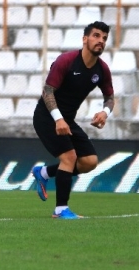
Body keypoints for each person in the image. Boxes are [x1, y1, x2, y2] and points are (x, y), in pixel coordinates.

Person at [30, 21, 115, 219]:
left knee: (89, 162)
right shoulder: (66, 61)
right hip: (46, 116)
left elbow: (110, 97)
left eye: (104, 38)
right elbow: (48, 91)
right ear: (85, 39)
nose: (100, 41)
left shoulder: (102, 70)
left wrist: (105, 112)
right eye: (96, 36)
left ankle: (43, 173)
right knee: (69, 157)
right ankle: (60, 210)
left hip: (67, 119)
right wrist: (58, 119)